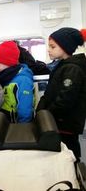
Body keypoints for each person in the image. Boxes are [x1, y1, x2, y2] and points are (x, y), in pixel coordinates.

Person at [36, 27, 86, 161]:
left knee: (69, 156)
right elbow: (50, 93)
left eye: (52, 47)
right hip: (58, 122)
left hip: (65, 124)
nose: (49, 49)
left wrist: (46, 115)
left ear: (66, 47)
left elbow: (65, 101)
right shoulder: (63, 65)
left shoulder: (72, 69)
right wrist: (41, 108)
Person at [0, 41, 34, 123]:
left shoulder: (23, 80)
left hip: (19, 126)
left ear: (8, 62)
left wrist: (23, 127)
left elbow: (25, 109)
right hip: (7, 122)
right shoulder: (4, 77)